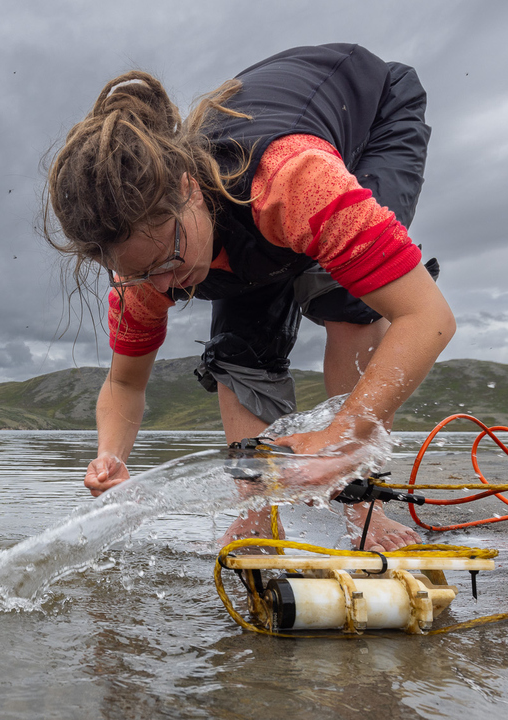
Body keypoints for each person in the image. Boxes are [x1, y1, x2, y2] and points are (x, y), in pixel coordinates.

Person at [41, 44, 455, 552]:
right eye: (142, 274)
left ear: (189, 190)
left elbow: (427, 316)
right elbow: (124, 382)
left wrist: (339, 438)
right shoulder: (142, 271)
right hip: (253, 208)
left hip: (370, 119)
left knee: (342, 295)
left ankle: (364, 509)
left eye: (170, 259)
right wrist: (111, 455)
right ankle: (259, 513)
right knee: (238, 346)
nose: (166, 287)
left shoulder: (291, 181)